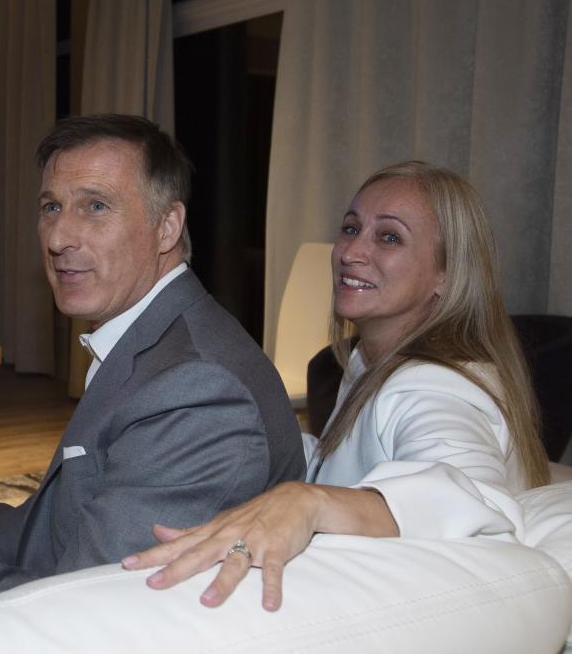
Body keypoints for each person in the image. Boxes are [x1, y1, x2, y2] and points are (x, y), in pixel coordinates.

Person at [0, 114, 305, 622]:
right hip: (60, 587)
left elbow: (71, 623)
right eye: (51, 207)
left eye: (95, 207)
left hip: (61, 627)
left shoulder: (199, 390)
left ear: (167, 227)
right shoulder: (158, 334)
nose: (58, 238)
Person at [122, 160, 551, 610]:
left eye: (389, 237)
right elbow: (348, 462)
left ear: (446, 273)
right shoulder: (370, 361)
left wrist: (309, 502)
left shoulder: (432, 383)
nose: (350, 252)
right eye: (351, 228)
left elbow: (470, 494)